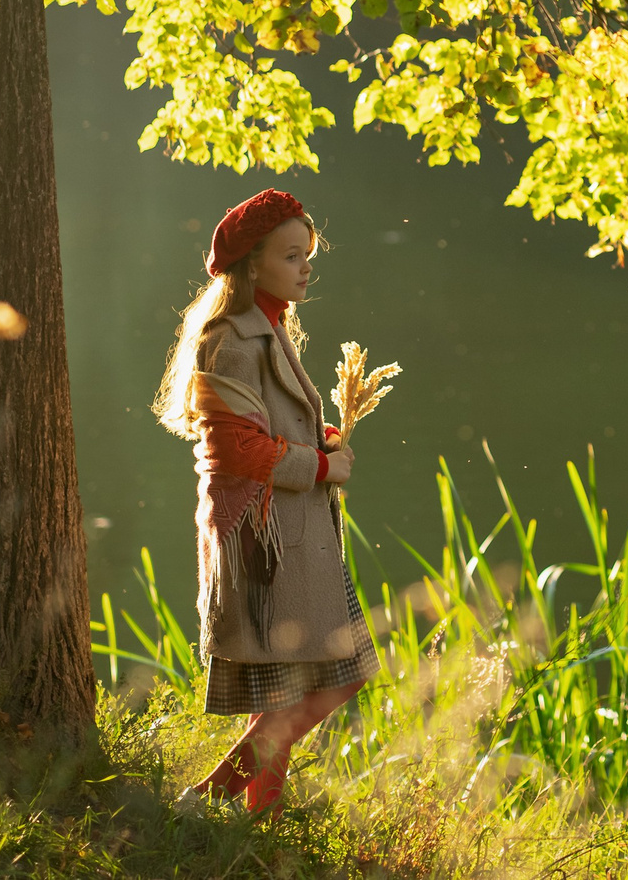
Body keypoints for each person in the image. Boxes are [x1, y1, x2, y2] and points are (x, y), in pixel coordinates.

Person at [153, 188, 378, 812]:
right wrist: (322, 466)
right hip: (262, 537)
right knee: (339, 674)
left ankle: (260, 818)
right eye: (291, 255)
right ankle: (210, 794)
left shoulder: (271, 328)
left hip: (285, 531)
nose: (306, 266)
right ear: (252, 264)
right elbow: (237, 452)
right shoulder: (233, 338)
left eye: (308, 254)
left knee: (280, 692)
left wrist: (317, 437)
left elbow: (263, 430)